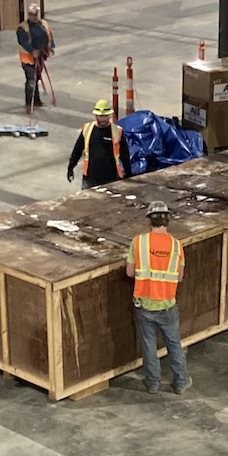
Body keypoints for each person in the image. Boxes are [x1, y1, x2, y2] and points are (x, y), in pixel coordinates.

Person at [126, 201, 190, 394]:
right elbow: (179, 277)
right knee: (174, 345)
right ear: (168, 220)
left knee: (148, 346)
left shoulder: (139, 242)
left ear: (150, 221)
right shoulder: (177, 246)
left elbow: (130, 272)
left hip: (144, 304)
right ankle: (180, 383)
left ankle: (153, 383)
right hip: (167, 304)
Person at [68, 99, 132, 189]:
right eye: (101, 116)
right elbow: (77, 150)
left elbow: (125, 155)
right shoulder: (87, 129)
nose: (103, 119)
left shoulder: (117, 131)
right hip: (90, 178)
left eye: (105, 116)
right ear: (96, 115)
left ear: (109, 115)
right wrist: (70, 167)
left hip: (111, 178)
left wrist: (129, 174)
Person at [16, 4, 54, 114]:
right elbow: (22, 42)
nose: (34, 17)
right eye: (32, 15)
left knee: (36, 78)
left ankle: (36, 100)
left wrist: (51, 47)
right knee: (31, 81)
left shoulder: (44, 24)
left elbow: (49, 35)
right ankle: (29, 104)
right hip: (28, 59)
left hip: (41, 57)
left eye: (36, 14)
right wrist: (33, 51)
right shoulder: (23, 28)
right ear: (28, 15)